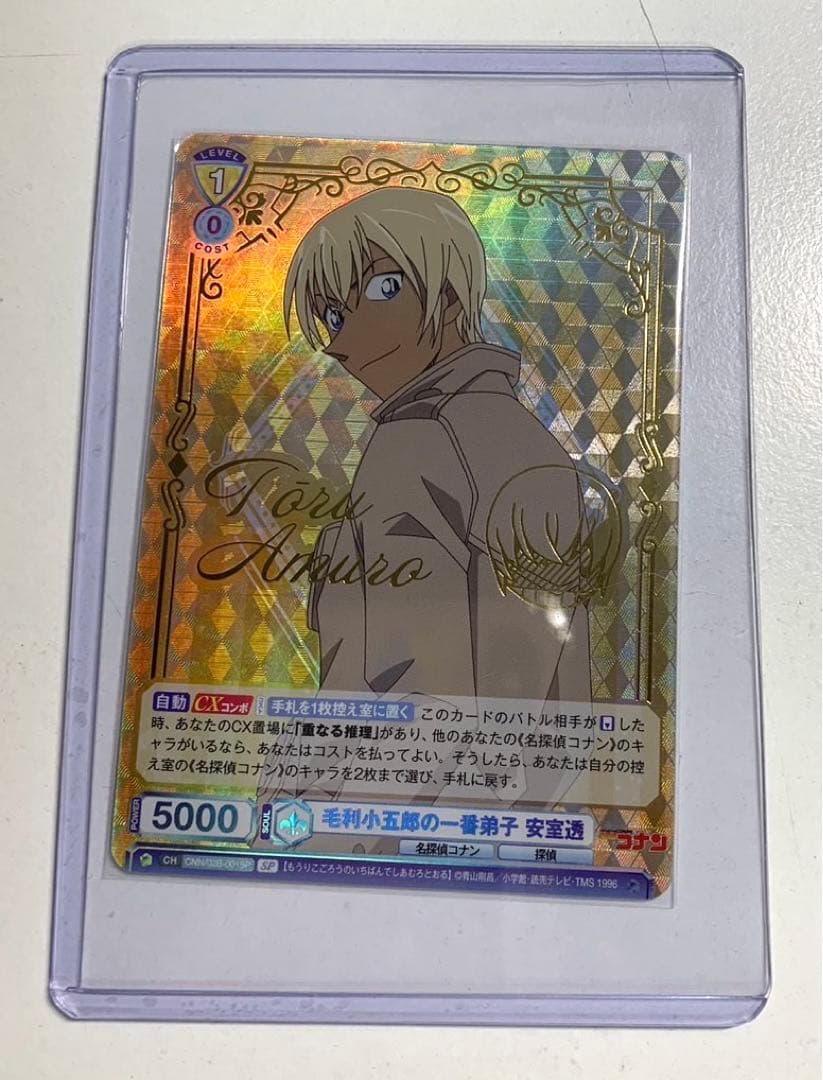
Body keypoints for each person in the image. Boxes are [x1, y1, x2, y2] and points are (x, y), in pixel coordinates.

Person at [283, 186, 593, 706]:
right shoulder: (522, 434)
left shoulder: (416, 438)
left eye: (383, 288)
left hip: (410, 752)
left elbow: (408, 672)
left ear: (448, 295)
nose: (342, 342)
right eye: (334, 316)